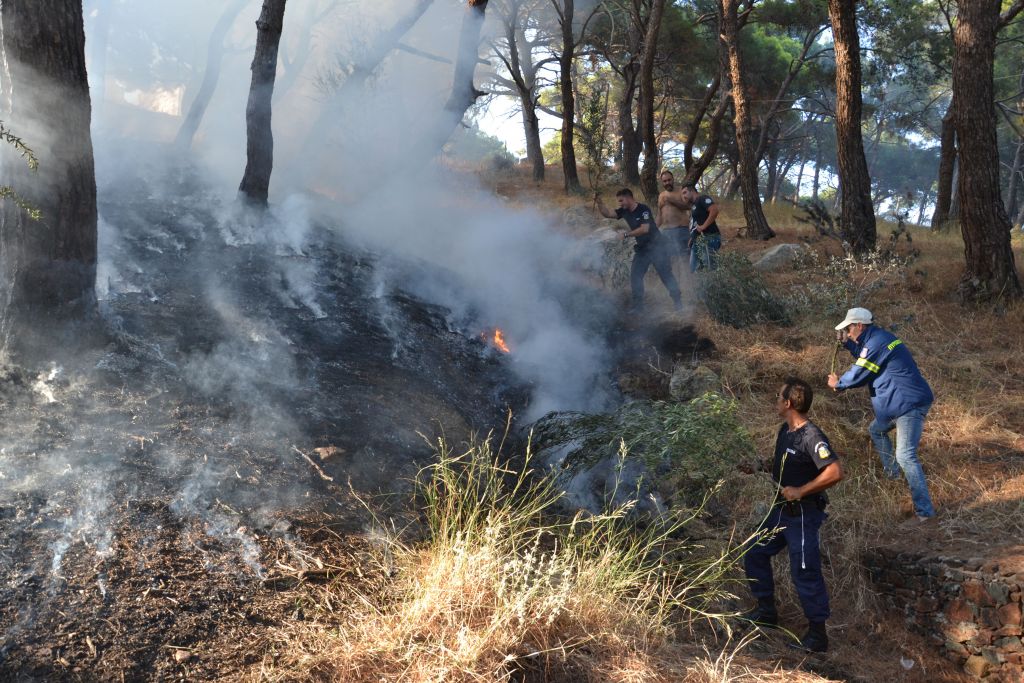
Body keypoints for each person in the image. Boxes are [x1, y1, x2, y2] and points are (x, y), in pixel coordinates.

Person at [743, 377, 844, 653]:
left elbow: (835, 471)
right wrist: (759, 467)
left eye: (778, 397)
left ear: (788, 403)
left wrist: (801, 490)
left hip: (802, 516)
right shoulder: (785, 430)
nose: (775, 401)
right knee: (754, 552)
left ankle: (817, 636)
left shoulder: (811, 436)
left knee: (804, 571)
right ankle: (766, 612)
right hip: (780, 513)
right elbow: (786, 466)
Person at [827, 307, 936, 523]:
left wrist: (838, 384)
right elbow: (867, 356)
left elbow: (860, 371)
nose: (848, 332)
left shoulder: (876, 342)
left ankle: (925, 513)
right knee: (876, 430)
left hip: (907, 405)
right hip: (898, 404)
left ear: (859, 325)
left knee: (905, 455)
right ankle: (893, 475)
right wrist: (848, 344)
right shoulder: (878, 338)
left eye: (849, 329)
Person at [595, 188, 683, 312]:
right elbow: (608, 213)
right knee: (636, 276)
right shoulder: (624, 211)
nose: (620, 203)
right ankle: (638, 307)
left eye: (621, 200)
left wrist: (626, 234)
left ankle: (678, 302)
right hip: (643, 249)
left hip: (657, 246)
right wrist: (599, 202)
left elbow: (645, 229)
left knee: (665, 275)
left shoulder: (643, 209)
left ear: (629, 198)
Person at [680, 184, 721, 272]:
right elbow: (696, 224)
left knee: (709, 268)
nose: (683, 196)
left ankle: (715, 281)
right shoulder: (694, 207)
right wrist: (692, 238)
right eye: (682, 194)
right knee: (694, 269)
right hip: (697, 241)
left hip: (708, 238)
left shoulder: (702, 198)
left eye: (685, 192)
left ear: (692, 191)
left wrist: (703, 226)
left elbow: (714, 210)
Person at [656, 170, 691, 263]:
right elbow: (659, 215)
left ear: (673, 179)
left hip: (681, 230)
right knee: (671, 259)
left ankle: (687, 273)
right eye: (665, 181)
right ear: (662, 182)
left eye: (669, 180)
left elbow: (688, 206)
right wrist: (653, 230)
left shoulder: (681, 190)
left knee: (684, 258)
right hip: (666, 232)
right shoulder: (661, 195)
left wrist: (671, 200)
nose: (667, 182)